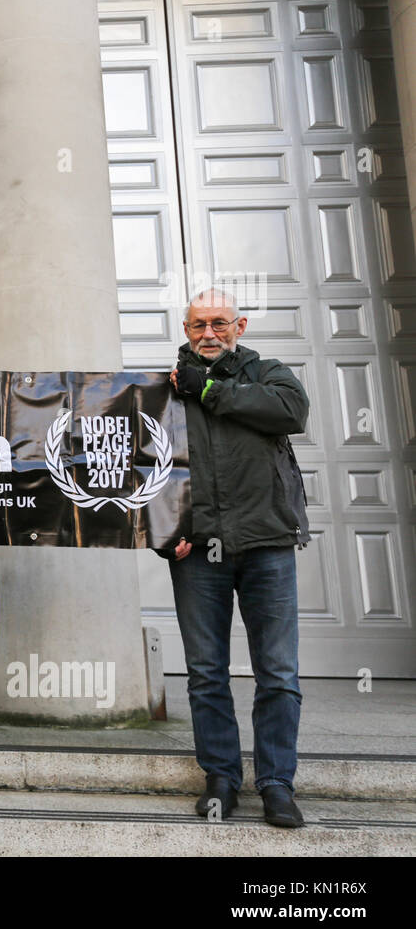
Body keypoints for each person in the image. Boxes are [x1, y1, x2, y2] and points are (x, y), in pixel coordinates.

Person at [165, 289, 310, 828]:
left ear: (239, 326)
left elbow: (290, 413)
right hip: (198, 552)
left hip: (267, 543)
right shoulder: (165, 390)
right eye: (198, 324)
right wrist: (163, 534)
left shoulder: (270, 374)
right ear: (186, 329)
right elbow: (143, 471)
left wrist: (210, 390)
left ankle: (276, 783)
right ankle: (220, 778)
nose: (209, 333)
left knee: (278, 672)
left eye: (219, 323)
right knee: (206, 673)